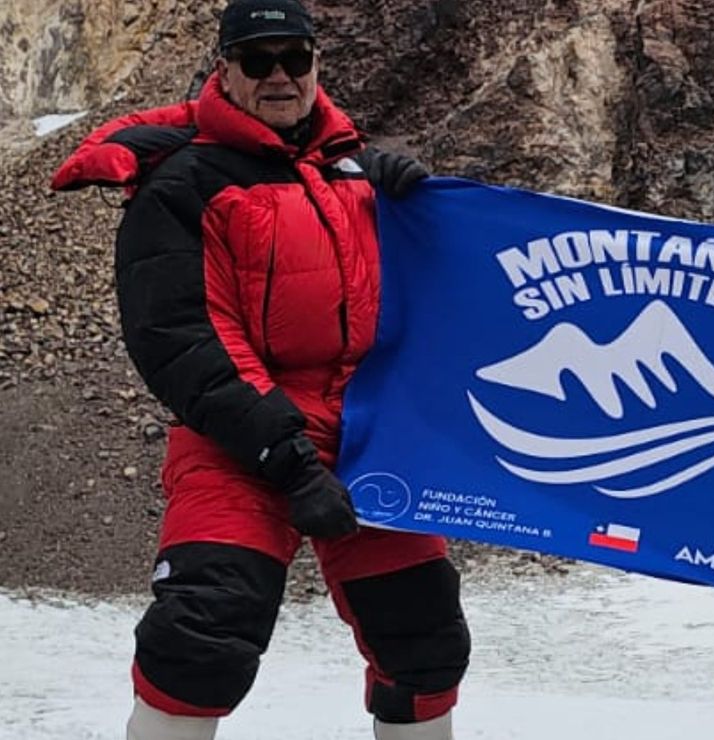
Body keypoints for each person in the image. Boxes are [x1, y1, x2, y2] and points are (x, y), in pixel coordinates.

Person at [51, 2, 467, 738]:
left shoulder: (353, 173)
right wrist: (286, 457)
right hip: (240, 442)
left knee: (425, 640)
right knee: (203, 634)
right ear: (225, 70)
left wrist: (415, 211)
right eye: (257, 59)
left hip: (366, 438)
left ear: (316, 65)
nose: (279, 75)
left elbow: (429, 306)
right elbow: (182, 338)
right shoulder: (182, 184)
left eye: (294, 58)